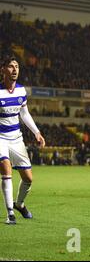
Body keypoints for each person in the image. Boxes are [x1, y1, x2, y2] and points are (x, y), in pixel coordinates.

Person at [0, 55, 46, 224]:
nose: (15, 69)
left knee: (28, 178)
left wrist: (37, 132)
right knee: (6, 169)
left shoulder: (21, 91)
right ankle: (10, 213)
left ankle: (19, 204)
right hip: (0, 138)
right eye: (11, 66)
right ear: (3, 69)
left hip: (16, 138)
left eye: (17, 66)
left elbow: (24, 114)